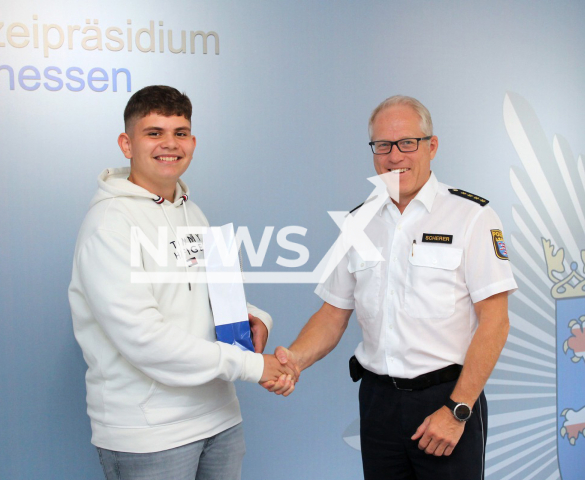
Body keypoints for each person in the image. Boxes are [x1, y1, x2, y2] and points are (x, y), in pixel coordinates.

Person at [268, 95, 517, 479]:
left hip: (447, 399)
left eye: (407, 143)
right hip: (378, 404)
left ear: (431, 146)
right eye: (382, 145)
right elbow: (333, 314)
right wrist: (294, 361)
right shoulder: (359, 221)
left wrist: (458, 409)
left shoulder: (472, 216)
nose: (394, 155)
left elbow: (495, 322)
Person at [68, 85, 295, 480]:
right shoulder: (109, 225)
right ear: (127, 143)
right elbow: (144, 338)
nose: (169, 144)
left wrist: (250, 317)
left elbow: (203, 297)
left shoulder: (192, 210)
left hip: (219, 418)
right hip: (151, 432)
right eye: (154, 133)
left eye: (180, 132)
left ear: (193, 141)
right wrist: (251, 365)